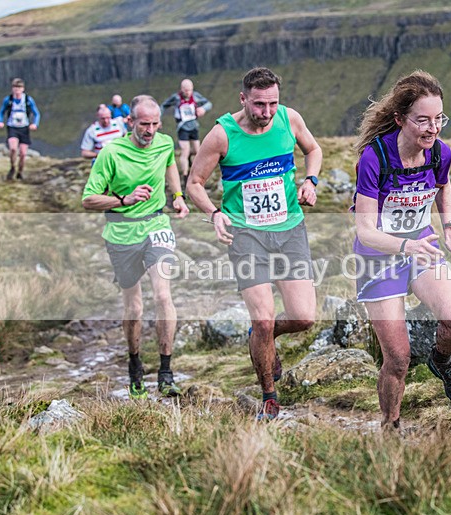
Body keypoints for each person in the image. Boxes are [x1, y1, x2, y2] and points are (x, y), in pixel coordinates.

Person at [186, 67, 321, 421]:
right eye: (259, 104)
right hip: (246, 234)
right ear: (243, 99)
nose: (266, 112)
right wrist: (215, 213)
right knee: (262, 320)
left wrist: (311, 181)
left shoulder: (289, 119)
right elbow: (195, 183)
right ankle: (269, 397)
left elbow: (314, 148)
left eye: (272, 103)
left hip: (290, 228)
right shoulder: (221, 135)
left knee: (304, 317)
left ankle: (263, 336)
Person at [352, 70, 451, 430]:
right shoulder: (374, 159)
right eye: (423, 120)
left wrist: (449, 232)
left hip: (421, 247)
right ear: (400, 120)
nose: (433, 128)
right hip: (380, 258)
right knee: (398, 359)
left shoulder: (439, 153)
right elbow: (365, 231)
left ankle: (441, 359)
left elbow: (443, 185)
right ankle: (390, 426)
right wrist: (407, 246)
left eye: (439, 119)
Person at [82, 95, 190, 400]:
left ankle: (166, 372)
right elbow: (88, 199)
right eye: (145, 124)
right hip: (121, 233)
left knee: (162, 294)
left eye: (155, 124)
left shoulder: (164, 142)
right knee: (135, 306)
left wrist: (178, 196)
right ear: (130, 122)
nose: (151, 130)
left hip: (157, 226)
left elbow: (169, 164)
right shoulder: (111, 153)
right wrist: (123, 200)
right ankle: (134, 364)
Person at [161, 79, 213, 183]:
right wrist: (157, 118)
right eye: (186, 90)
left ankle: (198, 173)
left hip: (194, 127)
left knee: (198, 151)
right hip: (182, 128)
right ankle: (185, 176)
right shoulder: (176, 98)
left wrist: (203, 109)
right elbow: (163, 106)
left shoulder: (196, 96)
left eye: (190, 90)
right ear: (181, 89)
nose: (188, 93)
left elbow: (209, 104)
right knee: (185, 151)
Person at [0, 78, 40, 181]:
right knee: (13, 148)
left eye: (19, 88)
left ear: (23, 89)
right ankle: (12, 166)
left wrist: (35, 124)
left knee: (23, 153)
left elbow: (36, 113)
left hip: (24, 128)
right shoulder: (8, 100)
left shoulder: (28, 100)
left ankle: (20, 172)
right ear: (12, 89)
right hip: (12, 127)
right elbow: (1, 112)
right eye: (15, 88)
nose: (17, 90)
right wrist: (0, 121)